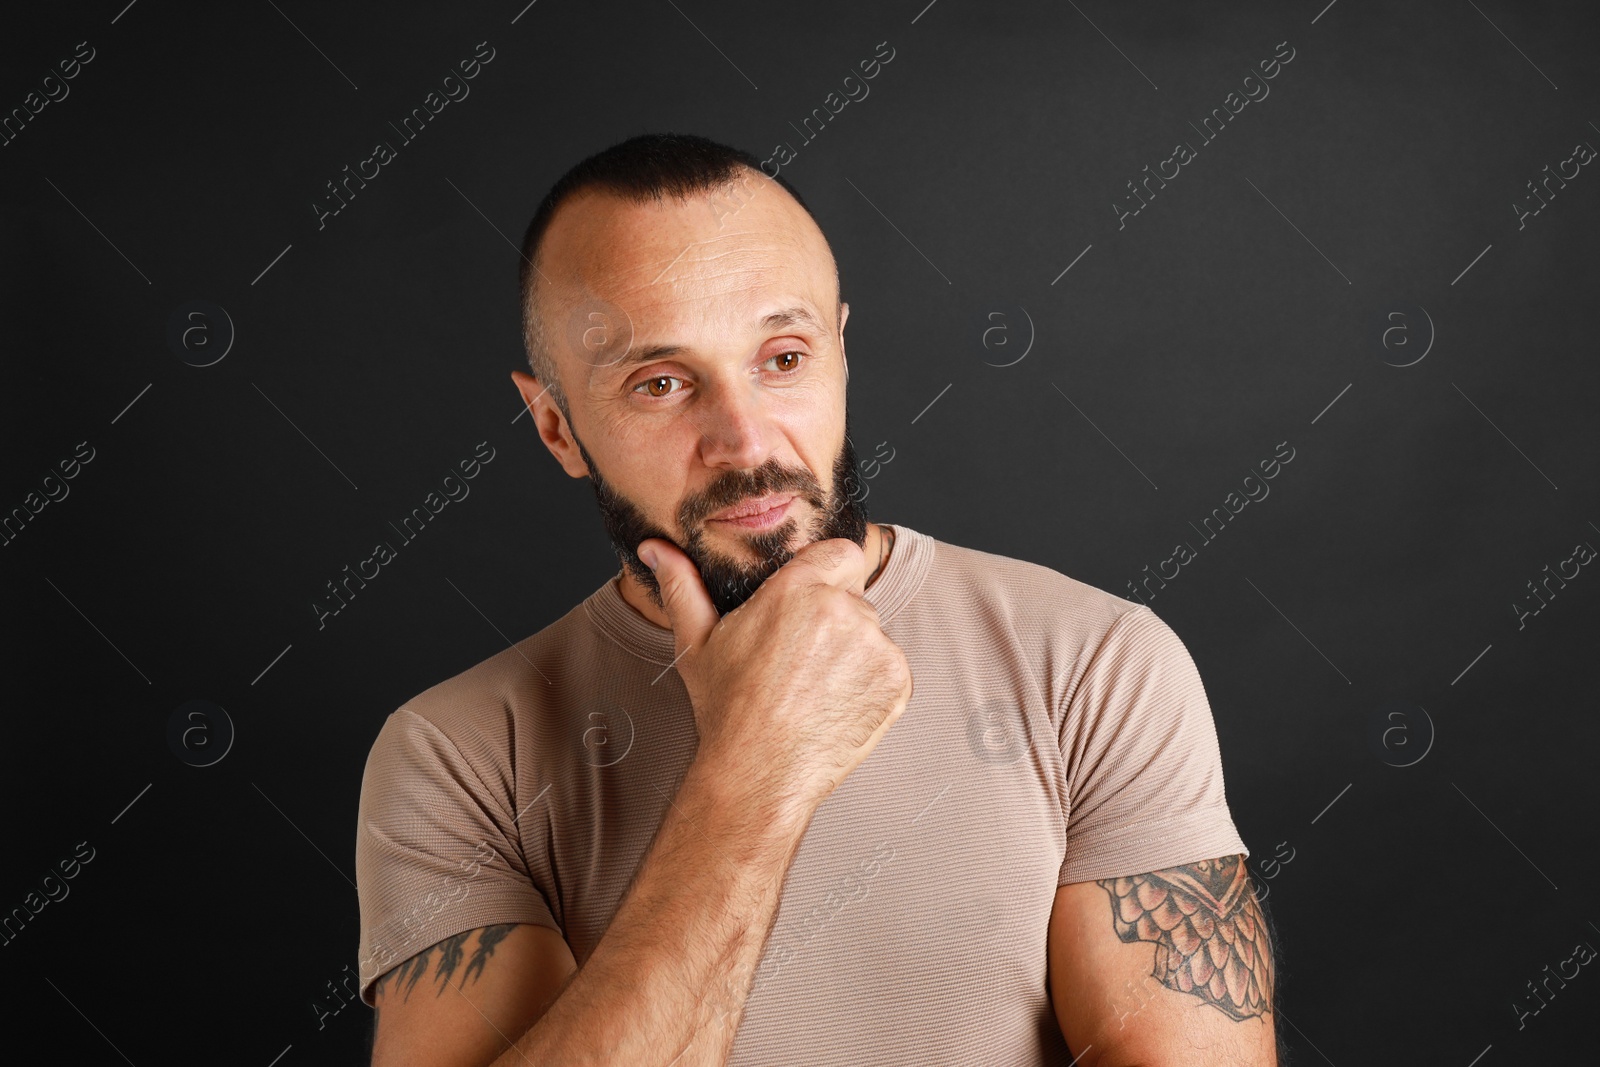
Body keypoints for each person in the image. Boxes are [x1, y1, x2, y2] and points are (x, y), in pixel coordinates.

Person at [353, 132, 1280, 1066]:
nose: (746, 439)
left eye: (783, 358)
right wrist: (754, 771)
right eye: (662, 383)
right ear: (557, 426)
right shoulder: (458, 755)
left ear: (839, 351)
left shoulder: (1094, 663)